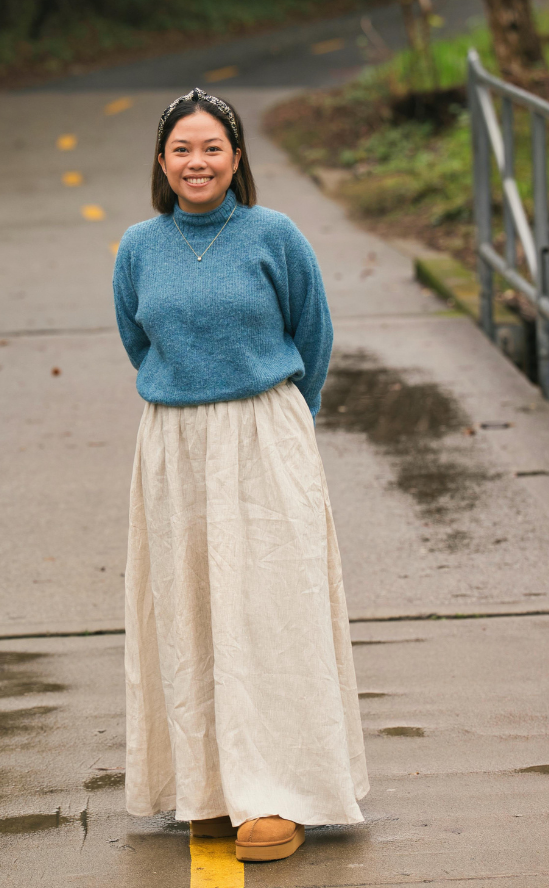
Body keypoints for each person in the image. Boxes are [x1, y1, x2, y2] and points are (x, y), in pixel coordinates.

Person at [112, 87, 369, 863]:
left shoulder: (275, 235)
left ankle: (278, 792)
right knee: (189, 610)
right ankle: (208, 787)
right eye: (183, 149)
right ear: (162, 160)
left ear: (237, 157)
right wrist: (188, 403)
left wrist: (283, 425)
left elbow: (312, 334)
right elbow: (137, 339)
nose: (198, 161)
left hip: (264, 439)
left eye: (213, 147)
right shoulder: (136, 247)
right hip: (174, 448)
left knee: (273, 613)